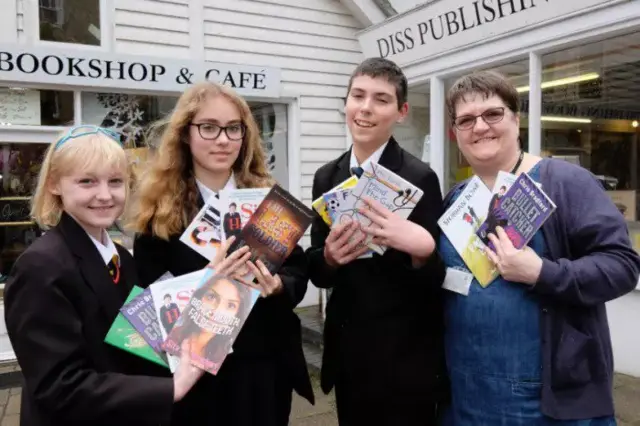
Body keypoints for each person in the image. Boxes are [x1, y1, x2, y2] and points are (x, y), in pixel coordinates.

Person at [438, 70, 640, 425]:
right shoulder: (455, 199)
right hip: (466, 397)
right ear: (455, 134)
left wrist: (542, 272)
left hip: (547, 404)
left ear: (517, 120)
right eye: (466, 120)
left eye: (492, 114)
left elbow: (622, 266)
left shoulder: (565, 183)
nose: (480, 127)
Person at [129, 81, 314, 426]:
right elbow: (150, 311)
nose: (223, 139)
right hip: (199, 377)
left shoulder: (267, 200)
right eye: (209, 128)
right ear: (186, 134)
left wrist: (277, 286)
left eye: (233, 128)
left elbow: (297, 270)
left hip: (265, 367)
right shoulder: (160, 216)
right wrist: (207, 281)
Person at [2, 125, 209, 426]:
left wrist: (202, 286)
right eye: (87, 181)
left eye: (115, 181)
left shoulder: (120, 257)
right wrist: (172, 388)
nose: (104, 195)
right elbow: (59, 386)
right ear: (54, 184)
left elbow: (132, 335)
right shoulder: (40, 267)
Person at [306, 57, 448, 425]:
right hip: (349, 355)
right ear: (346, 103)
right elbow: (318, 270)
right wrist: (330, 259)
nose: (366, 108)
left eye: (381, 99)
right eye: (358, 96)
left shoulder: (420, 177)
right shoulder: (326, 177)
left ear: (401, 111)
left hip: (404, 358)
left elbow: (436, 278)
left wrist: (421, 251)